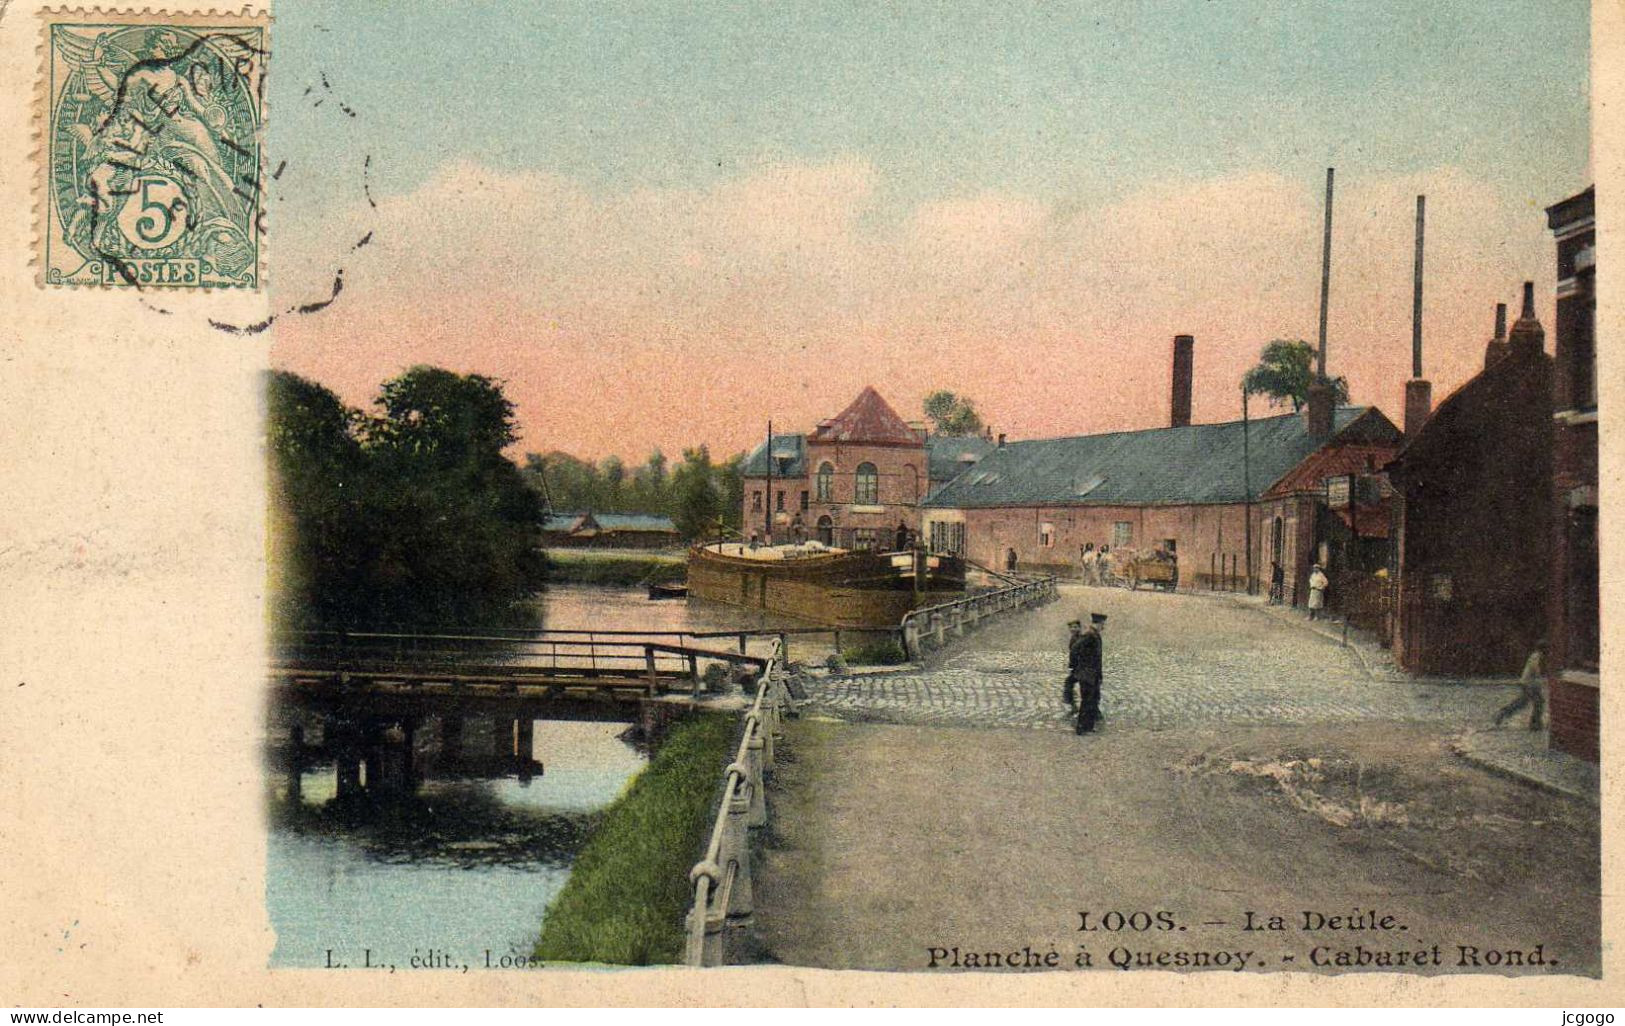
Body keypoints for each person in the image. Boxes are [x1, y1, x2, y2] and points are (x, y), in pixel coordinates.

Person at [1494, 641, 1546, 731]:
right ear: (1543, 649)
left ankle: (1503, 713)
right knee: (1531, 703)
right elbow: (1535, 669)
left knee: (1530, 702)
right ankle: (1534, 723)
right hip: (1529, 684)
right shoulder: (1536, 656)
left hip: (1531, 683)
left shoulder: (1537, 656)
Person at [1074, 613, 1107, 734]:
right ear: (1098, 624)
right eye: (1102, 625)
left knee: (1092, 700)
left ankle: (1088, 726)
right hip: (1087, 674)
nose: (1103, 627)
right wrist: (1082, 664)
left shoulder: (1095, 635)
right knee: (1086, 701)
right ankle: (1081, 728)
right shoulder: (1089, 635)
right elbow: (1075, 648)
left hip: (1093, 674)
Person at [1062, 619, 1085, 709]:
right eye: (1071, 627)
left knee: (1070, 682)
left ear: (1079, 628)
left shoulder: (1081, 639)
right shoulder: (1073, 638)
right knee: (1069, 682)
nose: (1073, 629)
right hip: (1077, 667)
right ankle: (1070, 702)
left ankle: (1070, 701)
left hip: (1082, 668)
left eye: (1075, 627)